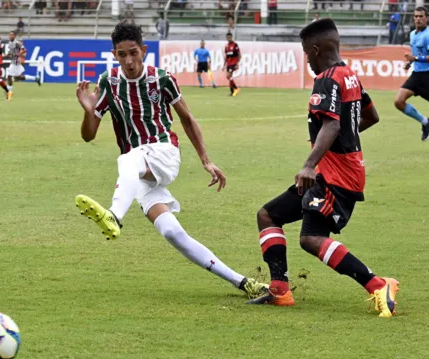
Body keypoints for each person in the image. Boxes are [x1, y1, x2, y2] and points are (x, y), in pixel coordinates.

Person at [74, 21, 268, 298]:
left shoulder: (161, 78)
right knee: (172, 233)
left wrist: (206, 160)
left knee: (128, 159)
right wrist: (88, 110)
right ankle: (243, 282)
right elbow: (88, 136)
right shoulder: (109, 82)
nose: (129, 61)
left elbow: (187, 119)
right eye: (121, 55)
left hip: (164, 153)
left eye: (133, 53)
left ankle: (114, 216)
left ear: (143, 50)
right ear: (114, 55)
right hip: (139, 172)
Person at [247, 18, 400, 318]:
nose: (306, 59)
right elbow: (370, 116)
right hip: (332, 172)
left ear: (316, 49)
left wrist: (309, 164)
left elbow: (332, 123)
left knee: (311, 238)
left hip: (336, 177)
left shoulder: (328, 78)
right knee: (268, 215)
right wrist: (342, 141)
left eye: (306, 52)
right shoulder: (350, 75)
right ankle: (280, 289)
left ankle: (379, 285)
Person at [394, 7, 429, 152]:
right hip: (417, 75)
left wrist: (416, 58)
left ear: (426, 18)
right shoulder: (412, 34)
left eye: (421, 16)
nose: (418, 19)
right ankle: (426, 122)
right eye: (416, 16)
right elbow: (416, 54)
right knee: (398, 101)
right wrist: (410, 62)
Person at [5, 31, 41, 101]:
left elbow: (24, 50)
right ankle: (35, 78)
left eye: (12, 35)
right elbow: (11, 53)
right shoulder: (10, 43)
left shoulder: (18, 43)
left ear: (15, 36)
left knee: (9, 76)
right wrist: (5, 56)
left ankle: (9, 93)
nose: (10, 36)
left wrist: (18, 53)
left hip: (16, 62)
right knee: (19, 77)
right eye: (9, 35)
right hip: (13, 61)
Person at [222, 32, 240, 96]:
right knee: (230, 77)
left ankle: (236, 88)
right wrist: (224, 65)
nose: (228, 38)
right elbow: (226, 56)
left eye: (229, 37)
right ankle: (232, 92)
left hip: (233, 63)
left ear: (231, 37)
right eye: (227, 37)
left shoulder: (235, 45)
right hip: (229, 63)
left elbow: (239, 55)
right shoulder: (226, 46)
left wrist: (237, 63)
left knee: (228, 76)